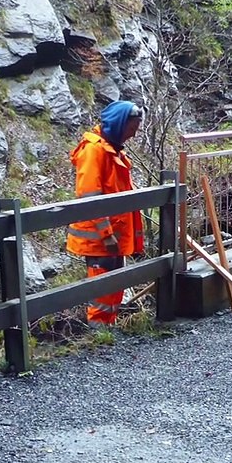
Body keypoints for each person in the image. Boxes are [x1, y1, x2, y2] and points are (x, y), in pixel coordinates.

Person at [66, 100, 145, 325]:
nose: (133, 134)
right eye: (132, 128)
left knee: (113, 286)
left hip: (113, 236)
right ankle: (98, 331)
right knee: (102, 290)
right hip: (100, 239)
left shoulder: (113, 151)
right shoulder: (94, 151)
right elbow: (90, 197)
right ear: (120, 124)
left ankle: (107, 328)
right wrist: (106, 234)